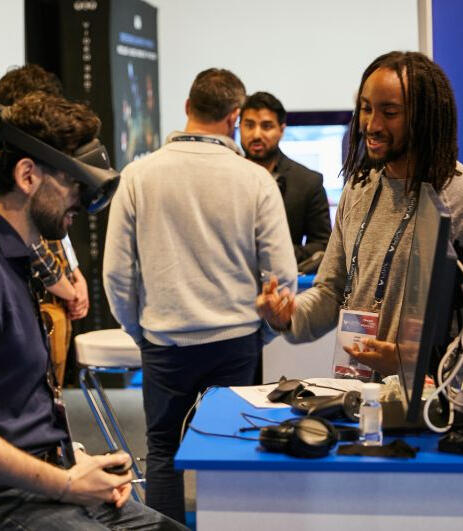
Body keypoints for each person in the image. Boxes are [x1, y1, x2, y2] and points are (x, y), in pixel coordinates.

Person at [103, 68, 297, 522]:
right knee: (234, 450)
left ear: (188, 107)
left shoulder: (137, 176)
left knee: (163, 450)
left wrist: (139, 330)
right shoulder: (255, 180)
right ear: (234, 117)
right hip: (235, 341)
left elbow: (116, 273)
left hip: (165, 340)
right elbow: (282, 277)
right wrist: (261, 335)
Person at [0, 93, 185, 530]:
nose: (80, 203)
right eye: (72, 183)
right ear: (27, 176)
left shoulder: (23, 263)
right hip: (18, 501)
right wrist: (67, 484)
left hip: (52, 476)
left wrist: (76, 459)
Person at [256, 51, 463, 377]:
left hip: (430, 397)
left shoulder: (456, 196)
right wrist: (288, 314)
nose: (372, 124)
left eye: (389, 112)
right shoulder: (359, 188)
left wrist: (409, 362)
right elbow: (331, 292)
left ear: (424, 116)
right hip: (356, 391)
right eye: (366, 109)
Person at [0, 63, 89, 385]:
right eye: (67, 179)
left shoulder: (37, 223)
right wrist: (67, 287)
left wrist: (74, 272)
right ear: (27, 175)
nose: (77, 197)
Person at [240, 91, 331, 268]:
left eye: (266, 126)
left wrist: (277, 253)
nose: (256, 134)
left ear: (281, 130)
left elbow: (323, 245)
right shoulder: (227, 177)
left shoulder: (308, 181)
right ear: (240, 126)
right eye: (249, 125)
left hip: (285, 278)